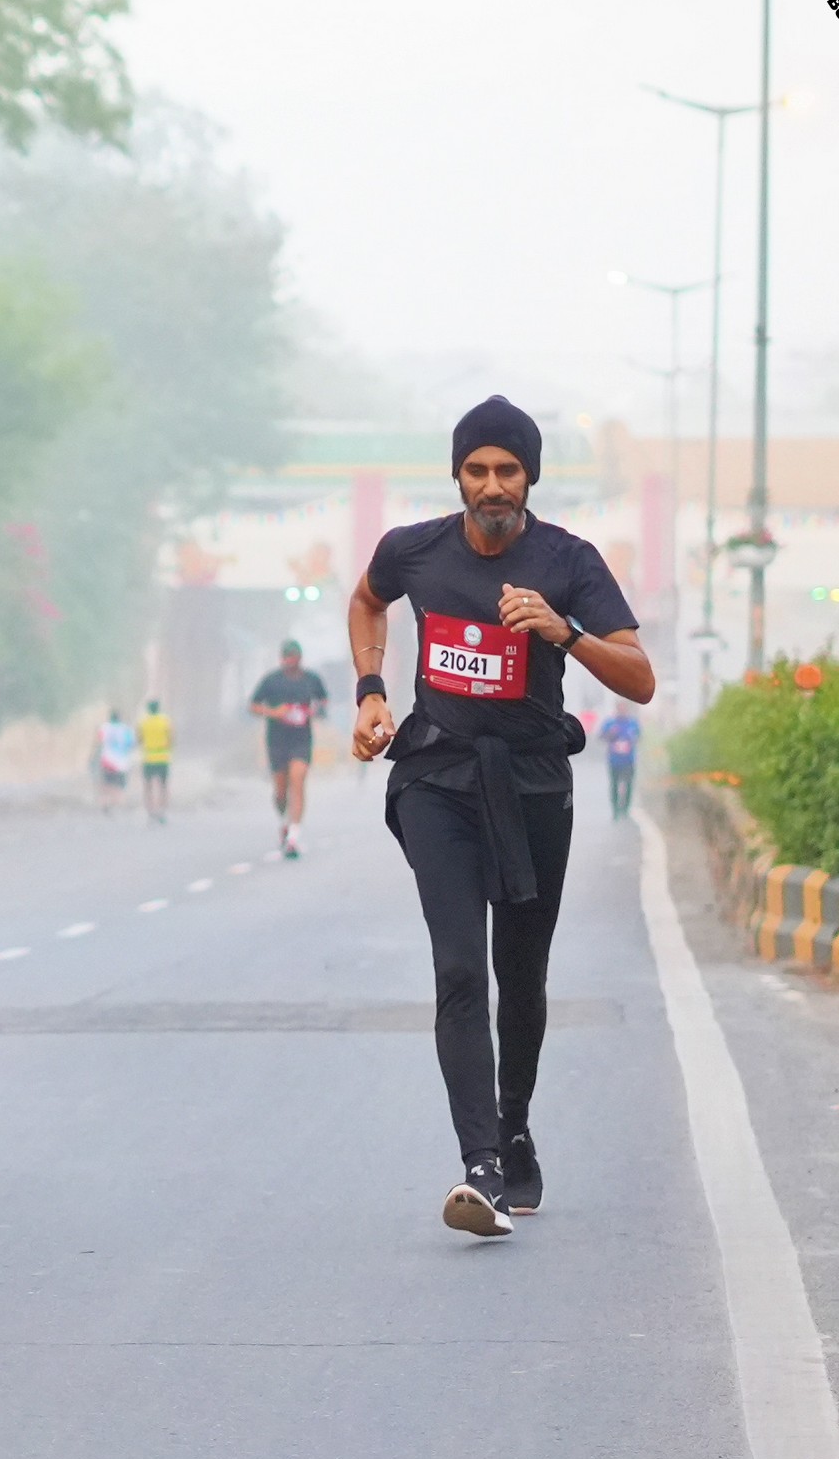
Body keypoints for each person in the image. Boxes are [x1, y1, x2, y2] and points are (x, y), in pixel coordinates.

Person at [348, 397, 653, 1238]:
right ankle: (478, 1164)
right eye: (476, 469)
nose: (491, 485)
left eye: (507, 471)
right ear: (456, 475)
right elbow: (366, 601)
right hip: (436, 779)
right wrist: (370, 691)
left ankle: (513, 1125)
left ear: (529, 478)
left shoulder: (568, 561)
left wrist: (564, 631)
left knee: (520, 976)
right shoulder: (412, 550)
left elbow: (638, 678)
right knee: (458, 969)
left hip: (530, 788)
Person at [248, 640, 329, 858]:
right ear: (282, 658)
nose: (290, 661)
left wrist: (315, 711)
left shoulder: (311, 679)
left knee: (298, 779)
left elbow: (323, 701)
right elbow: (253, 705)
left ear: (300, 658)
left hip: (301, 739)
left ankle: (293, 837)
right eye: (287, 657)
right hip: (277, 740)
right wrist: (274, 713)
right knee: (281, 791)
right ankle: (284, 821)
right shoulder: (271, 681)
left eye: (294, 656)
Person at [600, 700, 643, 821]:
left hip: (628, 760)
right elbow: (601, 736)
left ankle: (625, 809)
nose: (622, 710)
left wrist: (632, 740)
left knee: (628, 784)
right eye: (620, 708)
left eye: (624, 708)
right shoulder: (610, 723)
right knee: (614, 784)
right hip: (614, 760)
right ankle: (615, 809)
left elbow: (639, 737)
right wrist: (611, 734)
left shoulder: (632, 723)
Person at [137, 698, 175, 823]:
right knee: (163, 786)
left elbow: (139, 739)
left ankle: (150, 810)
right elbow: (171, 739)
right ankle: (162, 810)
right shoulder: (165, 721)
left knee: (148, 787)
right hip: (163, 758)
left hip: (148, 758)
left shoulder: (144, 722)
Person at [94, 708, 137, 814]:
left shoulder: (105, 728)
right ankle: (117, 803)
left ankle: (106, 802)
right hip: (122, 763)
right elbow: (131, 744)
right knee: (119, 785)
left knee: (106, 784)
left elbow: (99, 741)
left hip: (107, 761)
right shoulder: (126, 729)